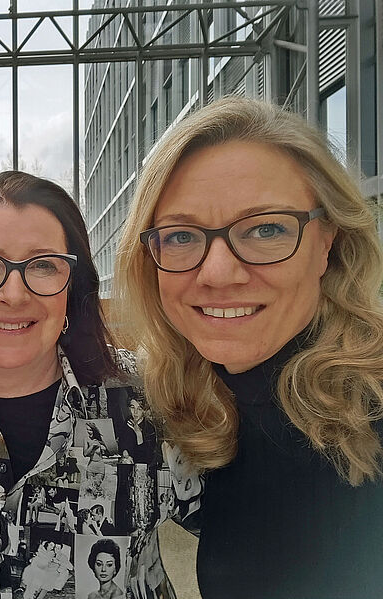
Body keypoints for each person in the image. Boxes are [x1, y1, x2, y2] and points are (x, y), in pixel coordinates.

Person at [0, 171, 201, 597]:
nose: (14, 293)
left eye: (43, 265)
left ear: (71, 290)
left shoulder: (151, 402)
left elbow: (256, 531)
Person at [116, 96, 383, 598]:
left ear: (328, 242)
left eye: (266, 229)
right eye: (180, 236)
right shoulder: (197, 404)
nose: (217, 273)